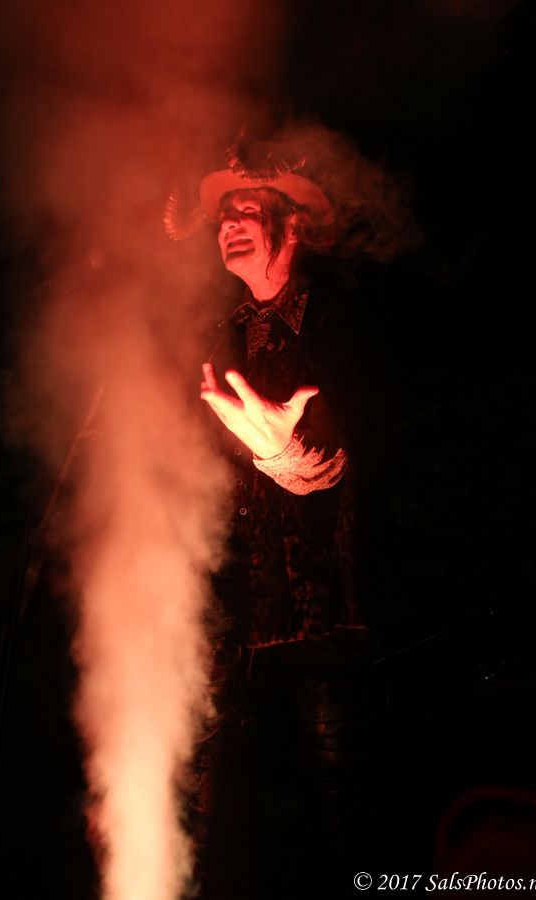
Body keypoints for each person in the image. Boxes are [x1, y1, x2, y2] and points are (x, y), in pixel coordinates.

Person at [166, 141, 391, 899]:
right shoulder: (222, 335)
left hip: (325, 624)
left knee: (339, 826)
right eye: (223, 214)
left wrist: (288, 452)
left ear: (293, 225)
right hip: (241, 627)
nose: (229, 222)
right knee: (224, 824)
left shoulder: (341, 321)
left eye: (248, 209)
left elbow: (348, 447)